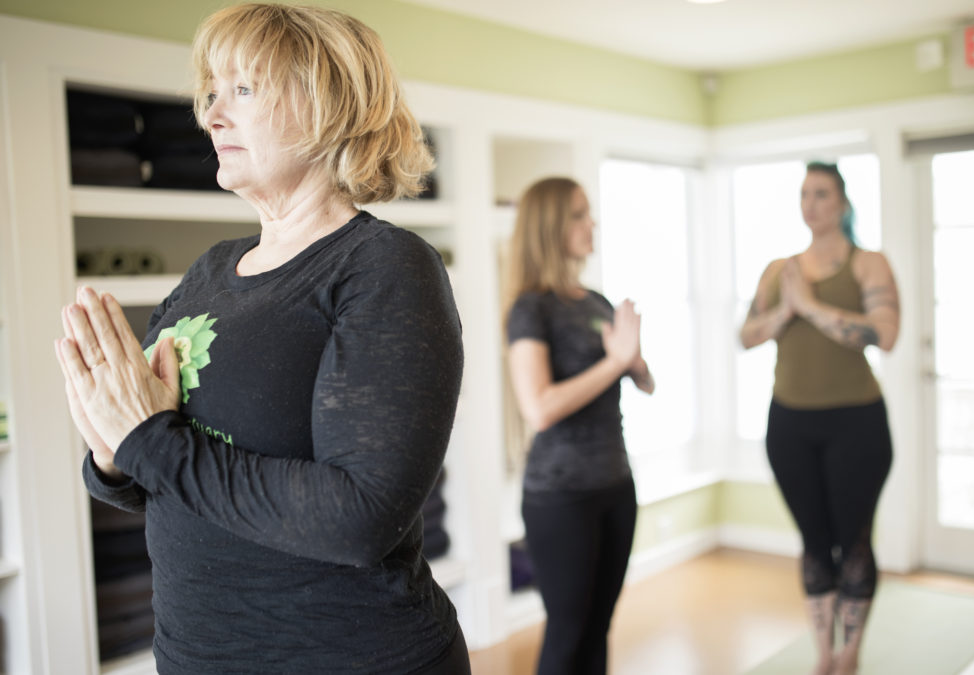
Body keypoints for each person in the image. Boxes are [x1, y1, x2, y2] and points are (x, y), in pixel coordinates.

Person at [53, 4, 469, 673]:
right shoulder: (211, 268)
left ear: (329, 101)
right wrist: (112, 455)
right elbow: (152, 473)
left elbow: (361, 517)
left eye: (242, 90)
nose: (212, 116)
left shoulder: (385, 267)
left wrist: (146, 440)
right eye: (212, 94)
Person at [740, 161, 900, 675]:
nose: (811, 204)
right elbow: (745, 335)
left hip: (857, 424)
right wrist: (786, 310)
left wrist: (808, 306)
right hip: (790, 425)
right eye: (805, 194)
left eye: (822, 194)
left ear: (843, 203)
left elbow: (886, 334)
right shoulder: (778, 270)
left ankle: (850, 653)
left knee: (852, 540)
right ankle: (824, 654)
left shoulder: (867, 263)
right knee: (813, 542)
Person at [505, 177, 654, 675]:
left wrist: (634, 362)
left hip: (616, 485)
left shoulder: (595, 301)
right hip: (561, 497)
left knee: (598, 630)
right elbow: (539, 408)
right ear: (549, 227)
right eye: (578, 215)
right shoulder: (531, 308)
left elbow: (646, 383)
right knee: (568, 633)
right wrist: (615, 363)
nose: (592, 224)